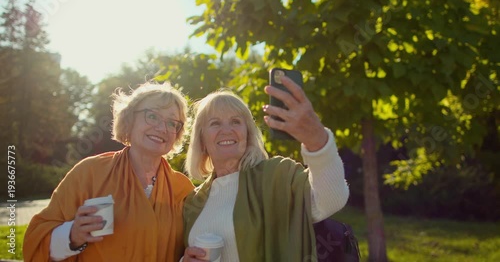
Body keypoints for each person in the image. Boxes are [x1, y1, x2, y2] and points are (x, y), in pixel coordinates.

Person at [182, 75, 350, 262]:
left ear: (248, 133)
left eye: (236, 121)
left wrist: (317, 140)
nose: (227, 130)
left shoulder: (277, 174)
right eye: (215, 123)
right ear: (201, 139)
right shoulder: (193, 202)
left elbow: (331, 200)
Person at [23, 82, 195, 261]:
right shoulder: (89, 173)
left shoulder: (183, 189)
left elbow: (188, 249)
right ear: (129, 120)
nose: (162, 128)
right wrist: (72, 235)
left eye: (172, 123)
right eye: (152, 116)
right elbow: (37, 241)